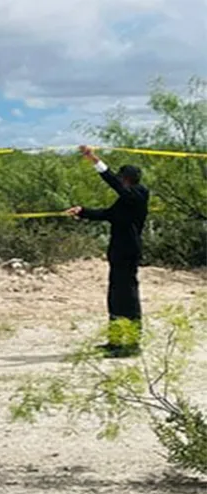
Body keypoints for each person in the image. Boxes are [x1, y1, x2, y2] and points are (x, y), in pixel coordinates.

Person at [64, 145, 150, 357]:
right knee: (115, 297)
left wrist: (94, 159)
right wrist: (82, 212)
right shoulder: (125, 201)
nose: (119, 181)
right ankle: (115, 341)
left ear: (126, 179)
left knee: (127, 298)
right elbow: (107, 214)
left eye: (121, 178)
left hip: (128, 253)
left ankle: (131, 344)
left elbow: (112, 182)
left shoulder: (138, 195)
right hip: (117, 253)